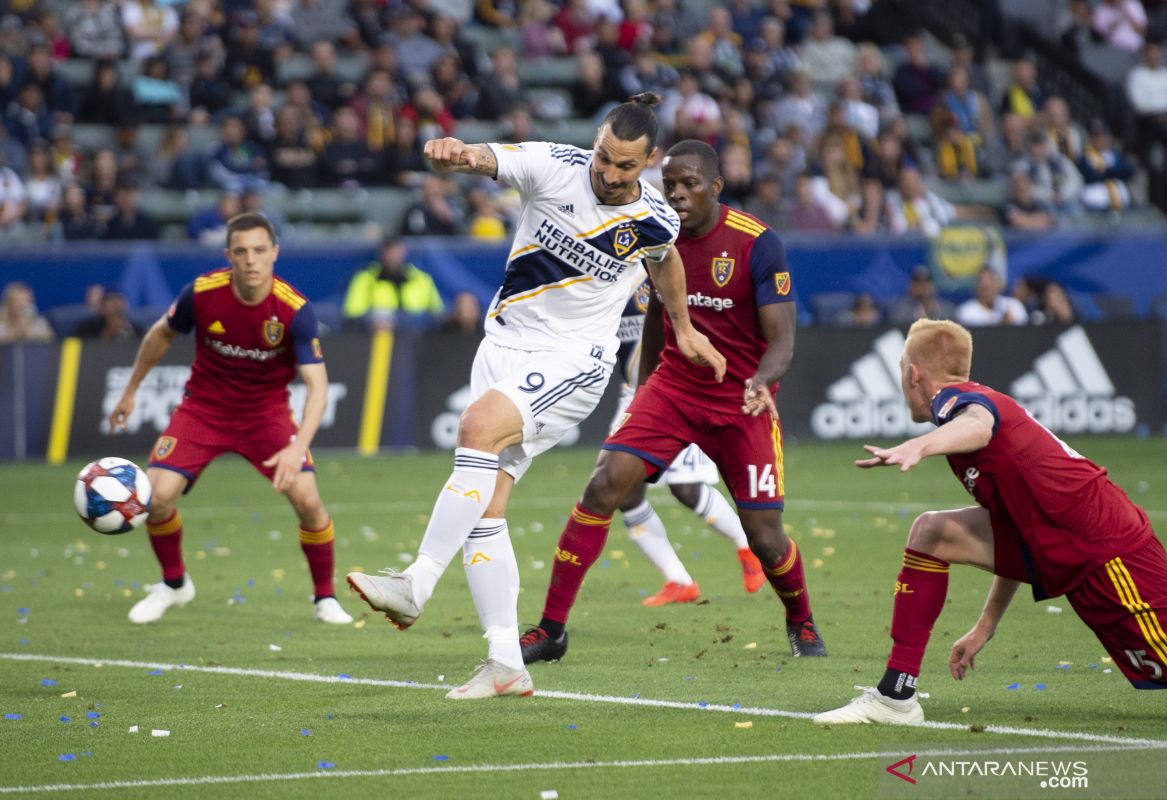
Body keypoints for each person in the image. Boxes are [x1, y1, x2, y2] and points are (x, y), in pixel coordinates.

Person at [345, 95, 726, 700]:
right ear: (595, 142)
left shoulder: (657, 218)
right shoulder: (554, 165)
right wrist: (453, 154)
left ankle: (417, 582)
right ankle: (505, 661)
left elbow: (666, 260)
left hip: (575, 360)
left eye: (625, 167)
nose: (607, 173)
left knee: (476, 428)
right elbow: (483, 157)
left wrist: (681, 327)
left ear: (648, 162)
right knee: (484, 508)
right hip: (503, 346)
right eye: (604, 156)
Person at [520, 139, 826, 666]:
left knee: (766, 538)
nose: (678, 195)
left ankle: (801, 622)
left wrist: (760, 383)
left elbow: (782, 342)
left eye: (689, 185)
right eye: (670, 186)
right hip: (675, 389)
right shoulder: (657, 232)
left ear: (715, 186)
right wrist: (641, 395)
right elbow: (666, 316)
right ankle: (551, 630)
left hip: (741, 401)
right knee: (603, 485)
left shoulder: (758, 243)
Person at [814, 319, 1167, 724]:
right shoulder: (973, 399)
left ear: (913, 373)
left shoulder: (956, 401)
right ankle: (895, 697)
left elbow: (977, 426)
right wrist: (985, 625)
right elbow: (1013, 524)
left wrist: (918, 446)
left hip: (1108, 553)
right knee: (932, 533)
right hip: (1061, 545)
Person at [107, 213, 354, 627]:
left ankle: (324, 597)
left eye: (260, 250)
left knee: (309, 501)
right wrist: (131, 390)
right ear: (228, 256)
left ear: (275, 253)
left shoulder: (295, 310)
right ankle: (173, 584)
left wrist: (296, 448)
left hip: (267, 415)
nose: (251, 260)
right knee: (157, 498)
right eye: (241, 252)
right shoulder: (202, 294)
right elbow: (159, 335)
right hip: (203, 410)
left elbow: (318, 386)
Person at [609, 279, 766, 606]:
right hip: (632, 394)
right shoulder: (607, 274)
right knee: (621, 490)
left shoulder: (672, 266)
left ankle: (746, 544)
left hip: (676, 389)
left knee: (686, 487)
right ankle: (679, 580)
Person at [341, 238, 451, 332]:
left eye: (396, 252)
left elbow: (437, 314)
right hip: (379, 340)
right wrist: (373, 320)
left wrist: (403, 322)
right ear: (381, 254)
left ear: (403, 252)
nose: (392, 257)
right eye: (389, 252)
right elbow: (352, 314)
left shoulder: (422, 279)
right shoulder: (365, 279)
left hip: (417, 338)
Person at [956, 267, 1029, 326]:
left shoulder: (1014, 305)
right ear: (976, 288)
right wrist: (1003, 323)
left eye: (992, 285)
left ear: (999, 285)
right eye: (984, 288)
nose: (988, 292)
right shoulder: (966, 311)